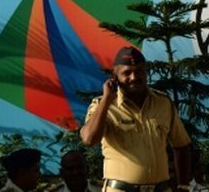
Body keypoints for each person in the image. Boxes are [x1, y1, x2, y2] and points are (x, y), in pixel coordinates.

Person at [79, 46, 193, 192]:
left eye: (139, 71)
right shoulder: (103, 106)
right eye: (127, 73)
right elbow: (89, 139)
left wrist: (183, 185)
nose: (134, 77)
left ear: (146, 72)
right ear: (114, 76)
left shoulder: (163, 102)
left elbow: (181, 145)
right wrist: (107, 100)